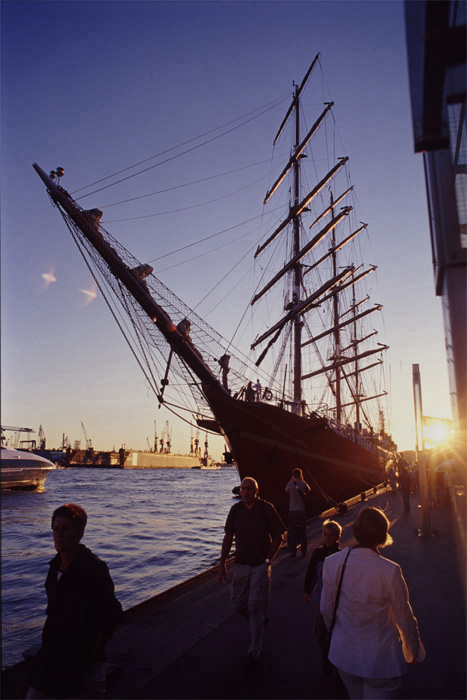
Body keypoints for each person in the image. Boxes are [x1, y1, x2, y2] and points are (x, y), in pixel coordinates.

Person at [321, 506, 425, 699]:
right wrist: (412, 651)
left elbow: (326, 609)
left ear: (357, 530)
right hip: (381, 661)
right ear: (382, 534)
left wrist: (338, 635)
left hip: (344, 657)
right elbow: (403, 616)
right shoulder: (389, 570)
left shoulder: (332, 563)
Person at [27, 503, 123, 699]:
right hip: (52, 657)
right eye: (55, 529)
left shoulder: (94, 569)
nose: (59, 534)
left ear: (80, 533)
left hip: (82, 661)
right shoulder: (54, 567)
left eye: (66, 529)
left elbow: (110, 619)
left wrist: (90, 662)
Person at [218, 477, 285, 670]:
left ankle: (254, 652)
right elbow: (228, 536)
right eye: (243, 489)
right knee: (237, 604)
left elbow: (279, 536)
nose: (245, 492)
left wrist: (267, 561)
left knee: (255, 607)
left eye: (249, 489)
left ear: (256, 491)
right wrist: (222, 563)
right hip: (241, 565)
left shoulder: (266, 508)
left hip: (260, 565)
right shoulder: (236, 510)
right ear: (239, 491)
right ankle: (259, 620)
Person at [304, 520, 342, 658]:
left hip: (337, 599)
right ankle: (325, 648)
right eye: (325, 534)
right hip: (321, 597)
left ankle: (331, 653)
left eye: (331, 535)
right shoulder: (318, 553)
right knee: (320, 629)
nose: (327, 537)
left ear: (338, 538)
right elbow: (311, 573)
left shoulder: (341, 555)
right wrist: (307, 591)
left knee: (333, 627)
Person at [285, 468, 310, 557]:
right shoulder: (303, 484)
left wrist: (291, 480)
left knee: (293, 532)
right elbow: (308, 489)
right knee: (303, 531)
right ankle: (304, 551)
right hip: (302, 510)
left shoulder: (290, 484)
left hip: (293, 510)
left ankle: (293, 552)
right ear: (300, 475)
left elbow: (286, 490)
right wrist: (302, 480)